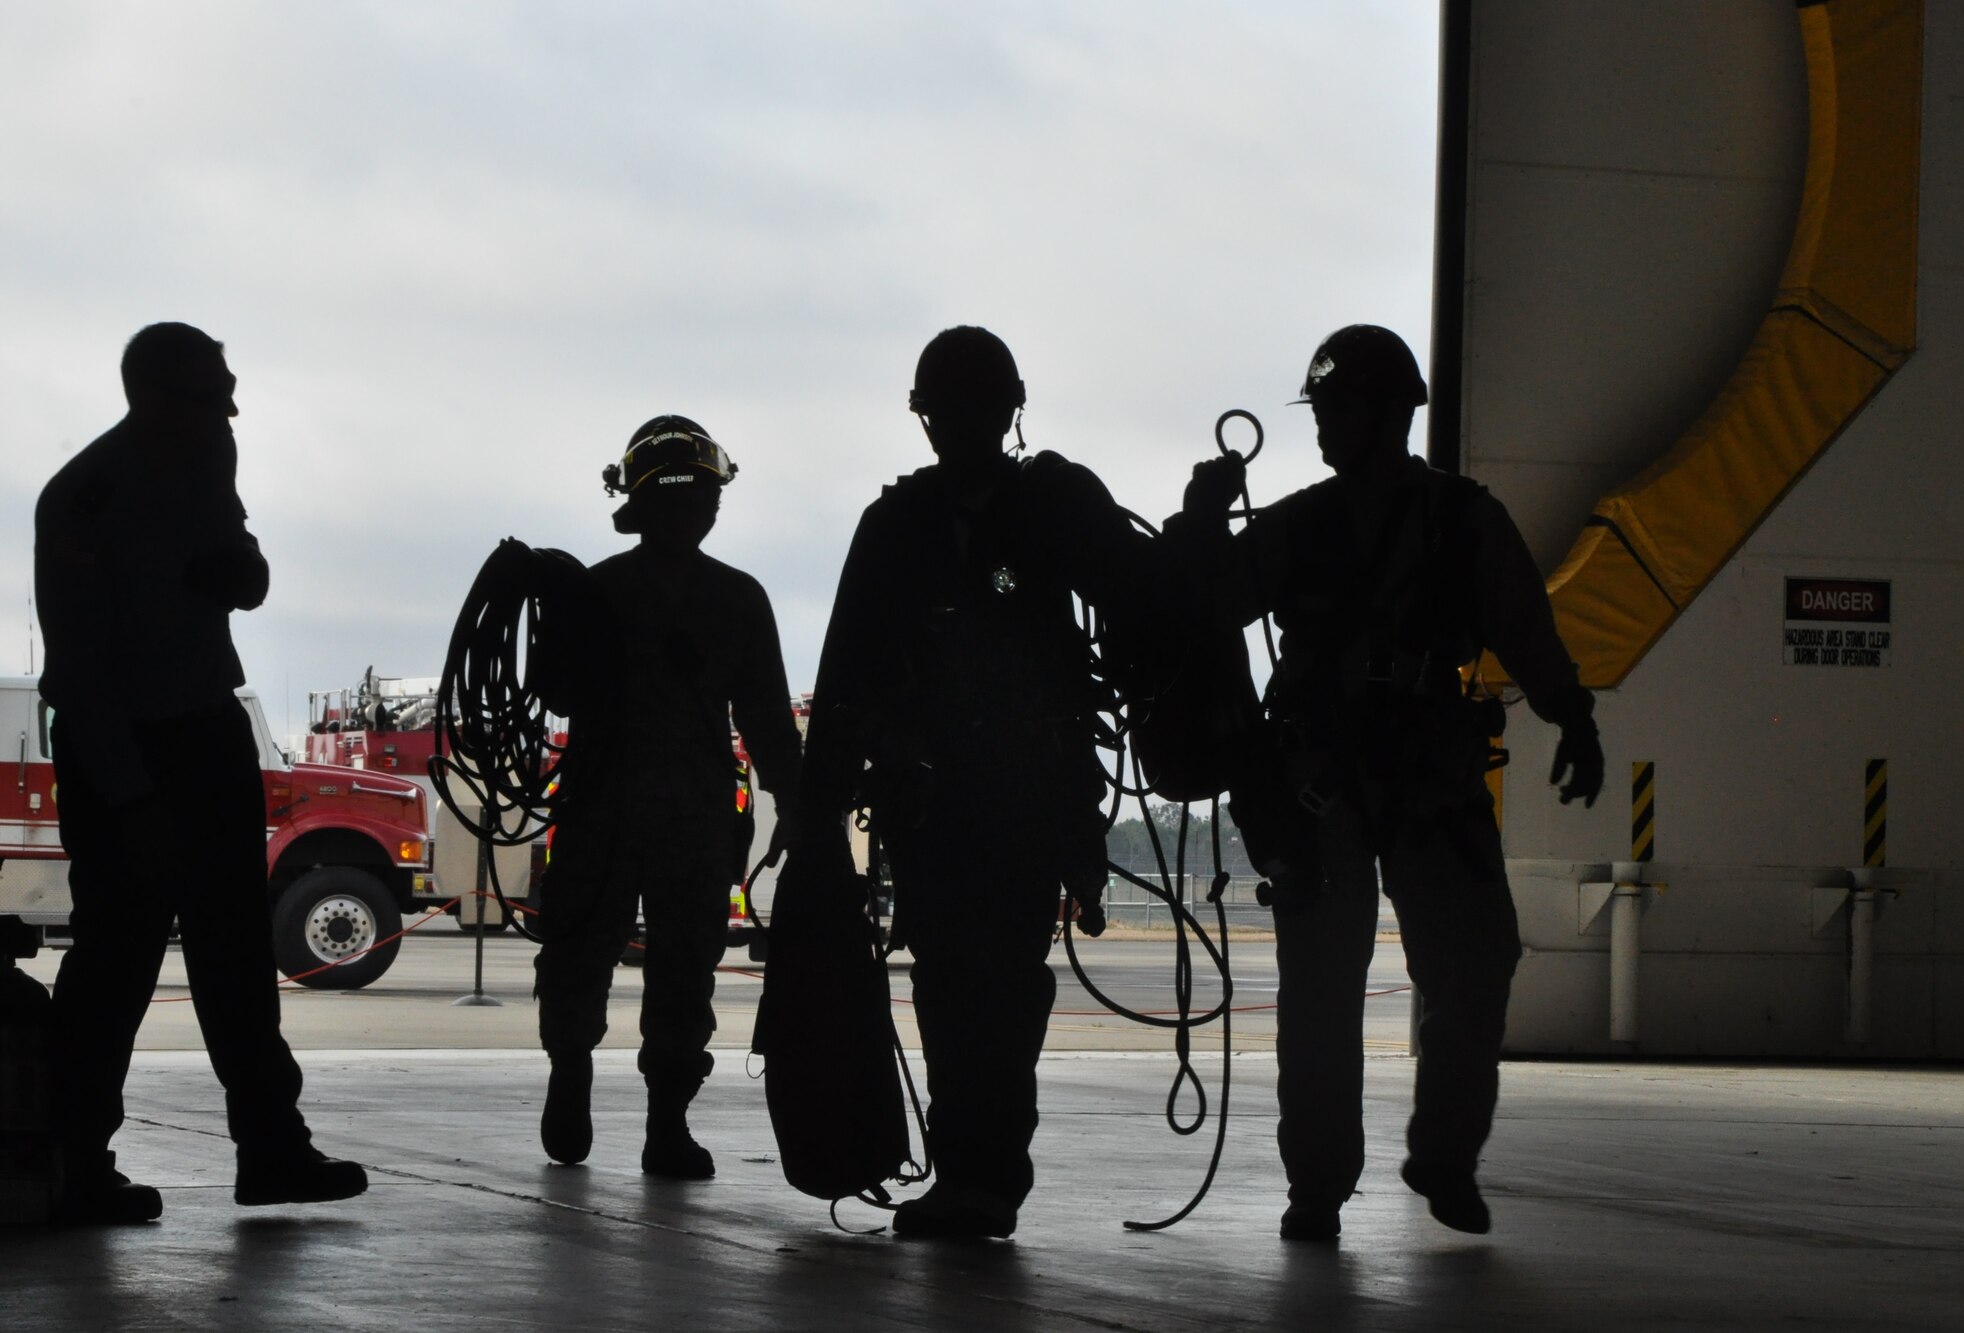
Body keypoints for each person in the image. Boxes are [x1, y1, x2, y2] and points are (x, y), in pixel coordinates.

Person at [1177, 324, 1604, 1240]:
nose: (1326, 426)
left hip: (1422, 770)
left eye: (1338, 409)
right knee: (1322, 984)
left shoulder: (1463, 520)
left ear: (1389, 414)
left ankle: (1443, 1153)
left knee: (1477, 958)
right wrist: (1203, 523)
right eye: (1322, 410)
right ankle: (1319, 1185)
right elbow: (1200, 608)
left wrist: (1574, 713)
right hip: (1327, 774)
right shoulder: (1296, 524)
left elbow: (1525, 625)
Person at [794, 326, 1148, 1238]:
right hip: (950, 800)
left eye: (964, 408)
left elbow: (1145, 598)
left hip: (1017, 799)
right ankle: (975, 1176)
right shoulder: (912, 526)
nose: (957, 425)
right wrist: (819, 811)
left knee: (986, 992)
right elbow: (845, 680)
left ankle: (984, 1176)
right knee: (962, 991)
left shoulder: (1040, 512)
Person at [34, 322, 369, 1224]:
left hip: (204, 727)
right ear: (153, 394)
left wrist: (242, 572)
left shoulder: (206, 451)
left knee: (235, 956)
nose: (229, 405)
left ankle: (271, 1147)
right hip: (127, 741)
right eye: (210, 388)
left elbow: (243, 565)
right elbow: (81, 667)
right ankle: (72, 1160)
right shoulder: (83, 498)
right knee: (115, 962)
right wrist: (128, 793)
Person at [532, 416, 802, 1178]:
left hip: (633, 805)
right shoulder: (706, 597)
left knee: (644, 960)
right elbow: (770, 727)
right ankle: (617, 1100)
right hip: (645, 805)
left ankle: (640, 1108)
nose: (697, 509)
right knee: (630, 958)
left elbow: (768, 723)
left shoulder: (615, 591)